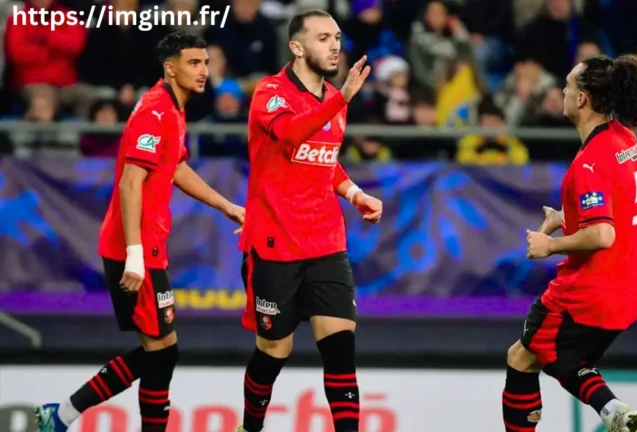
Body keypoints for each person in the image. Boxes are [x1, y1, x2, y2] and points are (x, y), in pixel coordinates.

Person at [35, 32, 245, 432]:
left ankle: (61, 414)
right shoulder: (155, 111)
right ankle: (62, 413)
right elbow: (131, 183)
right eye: (194, 63)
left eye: (205, 62)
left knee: (161, 352)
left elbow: (176, 166)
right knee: (162, 352)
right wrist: (134, 254)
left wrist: (227, 206)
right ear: (171, 68)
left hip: (147, 245)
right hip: (134, 248)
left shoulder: (172, 108)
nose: (204, 70)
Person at [235, 9, 382, 432]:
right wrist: (341, 99)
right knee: (273, 352)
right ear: (297, 47)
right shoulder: (271, 92)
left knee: (341, 353)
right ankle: (250, 427)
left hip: (326, 244)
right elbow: (289, 135)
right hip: (275, 245)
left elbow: (325, 159)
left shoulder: (335, 98)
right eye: (322, 38)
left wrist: (354, 193)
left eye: (336, 37)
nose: (334, 45)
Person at [505, 55, 637, 432]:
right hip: (628, 292)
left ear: (582, 99)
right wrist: (566, 218)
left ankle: (609, 406)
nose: (562, 90)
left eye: (568, 85)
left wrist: (549, 246)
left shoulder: (590, 161)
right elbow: (618, 207)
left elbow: (602, 234)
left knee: (525, 356)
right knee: (554, 358)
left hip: (587, 292)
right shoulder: (627, 141)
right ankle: (612, 410)